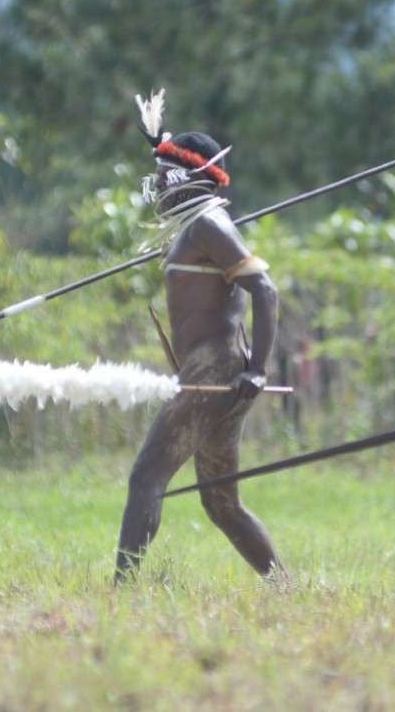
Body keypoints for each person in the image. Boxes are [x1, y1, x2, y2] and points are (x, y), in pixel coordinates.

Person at [115, 92, 284, 582]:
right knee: (221, 502)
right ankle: (289, 589)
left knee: (147, 477)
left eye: (166, 179)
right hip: (213, 372)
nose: (160, 191)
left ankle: (120, 593)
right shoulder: (196, 229)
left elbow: (265, 290)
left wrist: (257, 368)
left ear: (189, 178)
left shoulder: (209, 223)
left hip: (216, 371)